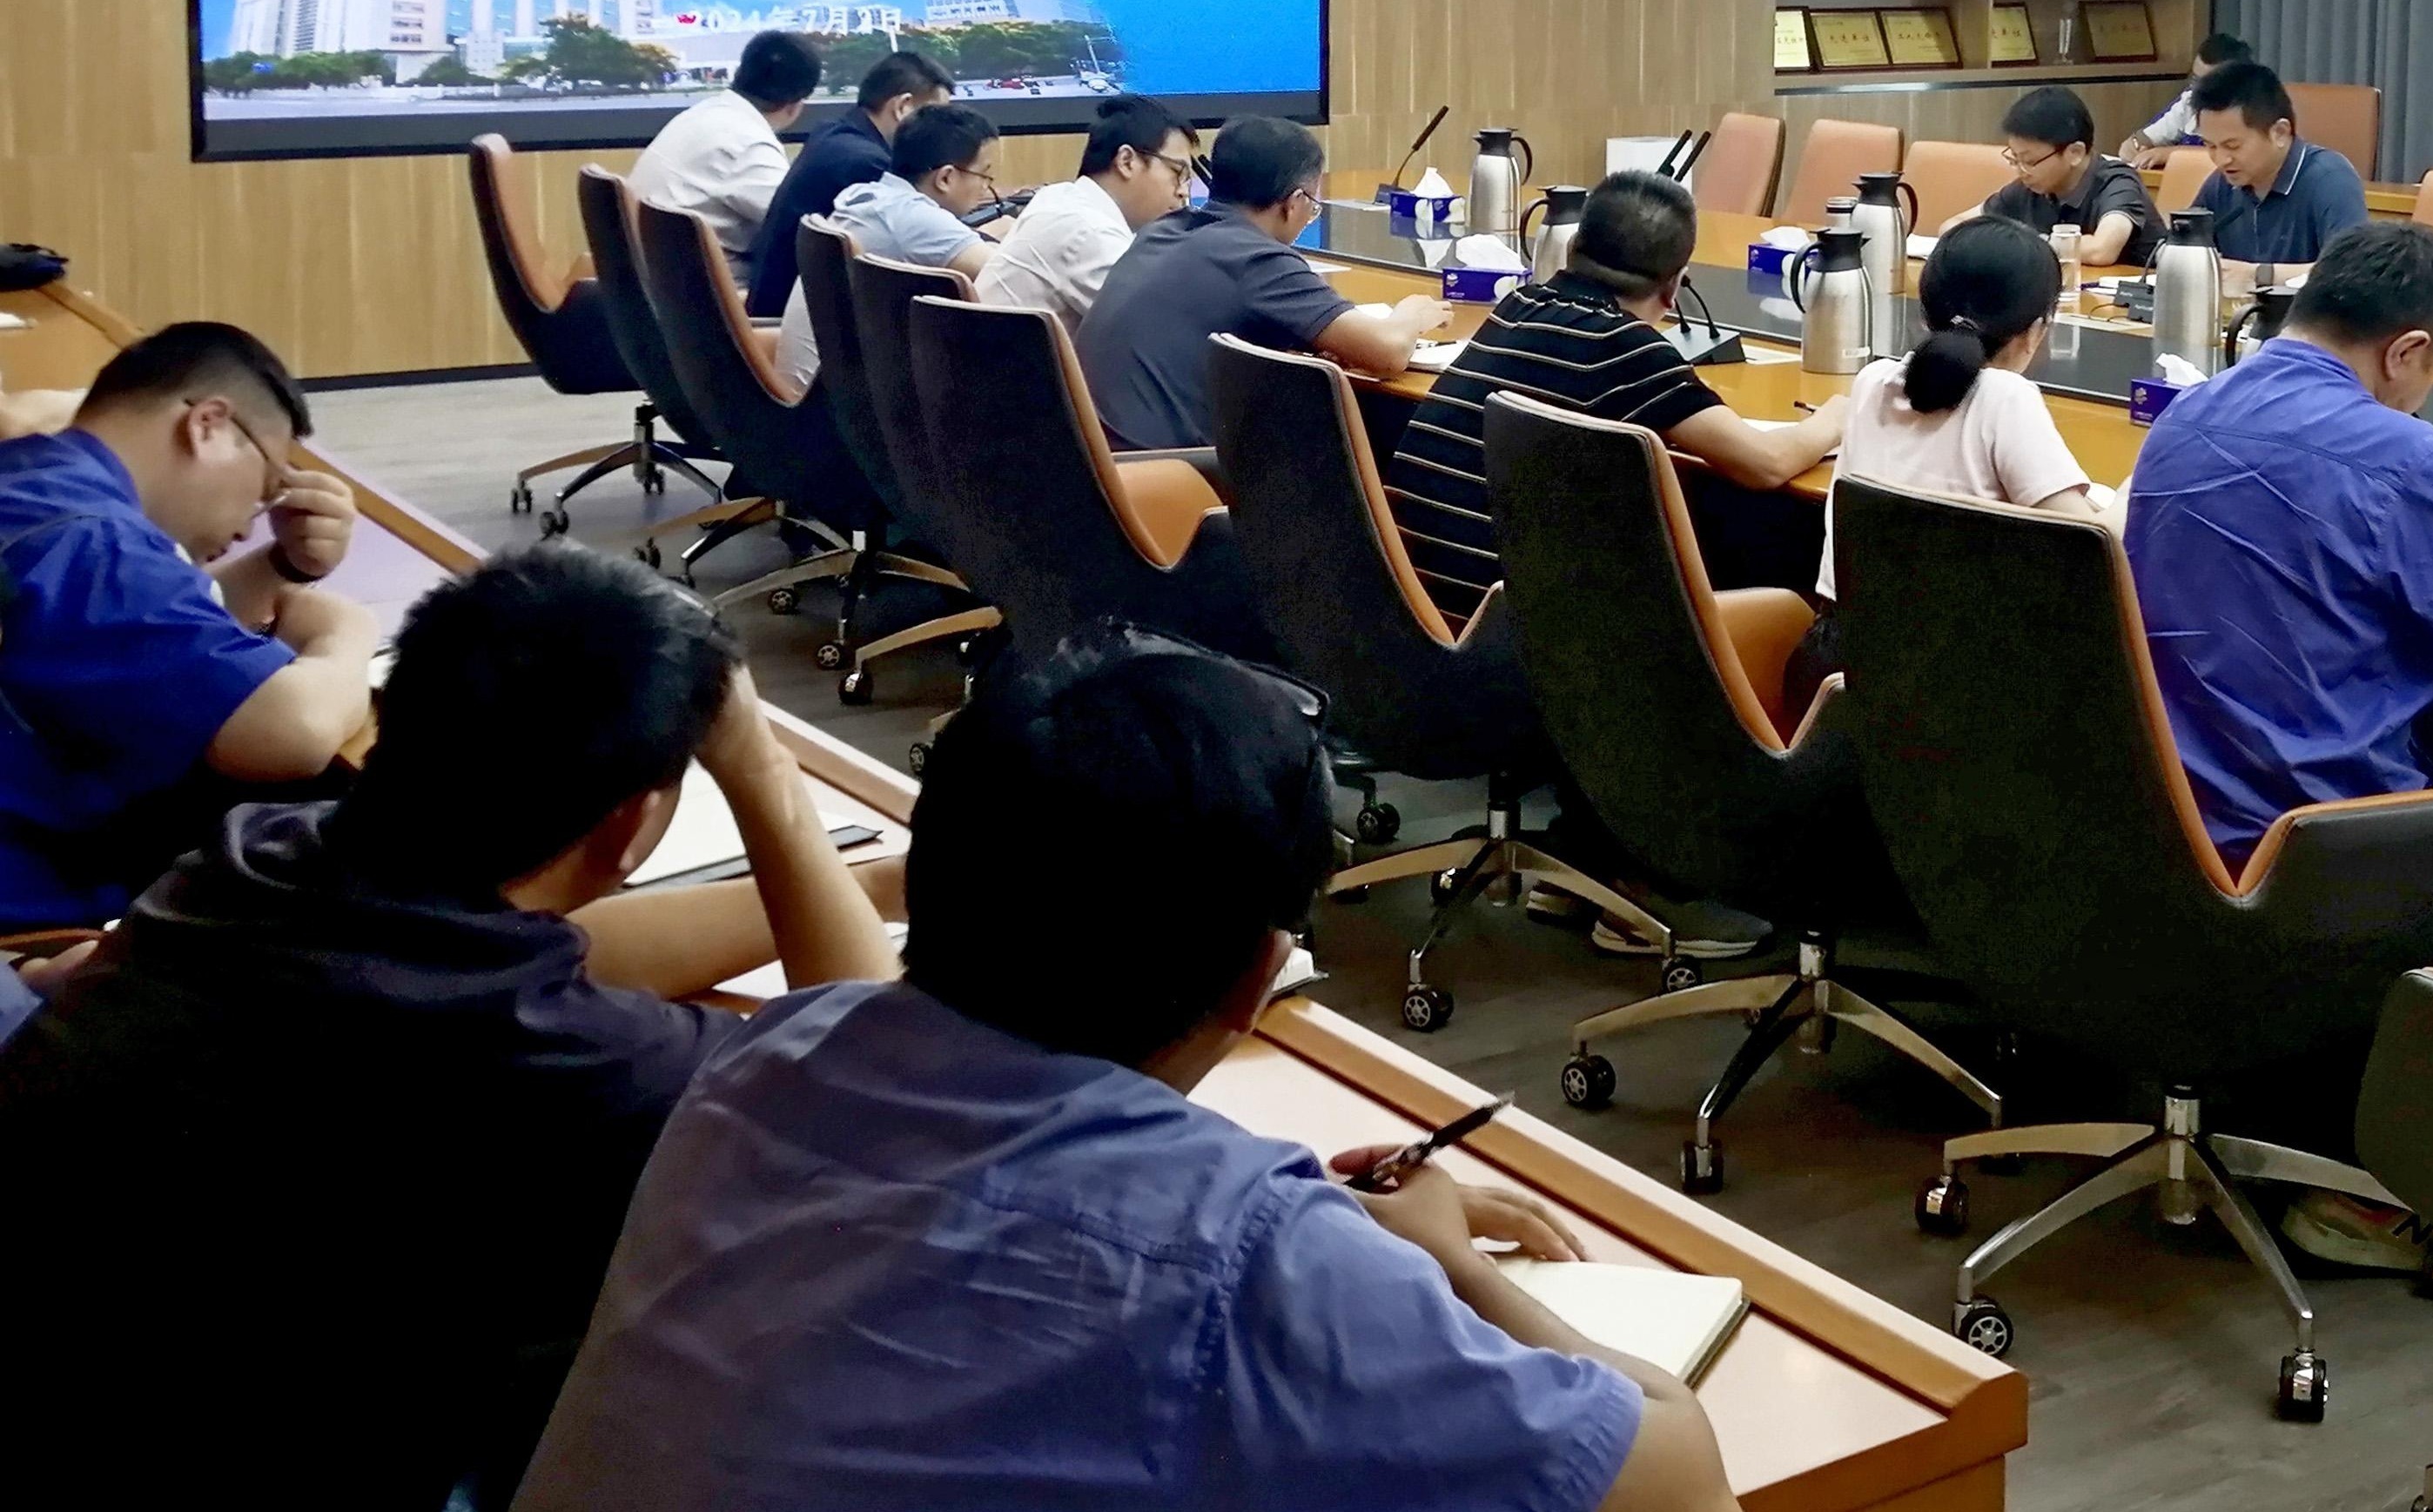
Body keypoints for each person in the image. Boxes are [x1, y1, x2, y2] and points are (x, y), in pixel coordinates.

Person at [518, 628, 1737, 1512]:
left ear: (927, 879)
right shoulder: (1248, 1259)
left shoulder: (764, 1061)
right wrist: (1448, 1264)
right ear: (1261, 973)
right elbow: (1675, 1477)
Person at [0, 544, 903, 1509]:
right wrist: (762, 772)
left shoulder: (246, 860)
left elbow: (533, 956)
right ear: (630, 823)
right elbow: (889, 1087)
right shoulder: (588, 1066)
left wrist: (879, 883)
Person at [2127, 220, 2433, 872]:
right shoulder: (2404, 458)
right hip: (2318, 848)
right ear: (2406, 351)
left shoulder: (2185, 413)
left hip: (2165, 831)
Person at [0, 322, 374, 931]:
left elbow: (121, 641)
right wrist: (346, 635)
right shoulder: (95, 541)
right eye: (266, 486)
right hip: (31, 913)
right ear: (208, 424)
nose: (251, 524)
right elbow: (290, 731)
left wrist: (281, 567)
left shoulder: (36, 479)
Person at [1388, 170, 1845, 628]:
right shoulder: (1628, 348)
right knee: (1791, 614)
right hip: (1514, 630)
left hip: (1419, 619)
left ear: (1572, 249)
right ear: (1674, 286)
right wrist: (1837, 416)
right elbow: (1766, 463)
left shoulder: (1516, 307)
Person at [1790, 218, 2108, 718]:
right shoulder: (2005, 397)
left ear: (1923, 316)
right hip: (1950, 697)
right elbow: (2090, 544)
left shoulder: (1872, 381)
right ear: (2035, 332)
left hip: (1835, 670)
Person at [1078, 117, 1453, 453]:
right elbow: (1387, 351)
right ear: (1295, 202)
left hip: (1094, 467)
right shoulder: (1255, 257)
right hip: (1165, 474)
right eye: (1314, 205)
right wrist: (1412, 314)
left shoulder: (1162, 231)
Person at [770, 101, 1001, 393]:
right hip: (831, 404)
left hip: (817, 394)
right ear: (945, 178)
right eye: (984, 175)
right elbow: (1007, 274)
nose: (986, 188)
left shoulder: (869, 196)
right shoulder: (913, 219)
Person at [745, 48, 955, 318]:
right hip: (790, 321)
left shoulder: (836, 136)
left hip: (788, 313)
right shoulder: (866, 164)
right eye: (936, 117)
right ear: (903, 107)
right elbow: (927, 237)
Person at [977, 93, 1198, 327]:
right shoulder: (1088, 232)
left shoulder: (1061, 197)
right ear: (1126, 161)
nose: (1183, 192)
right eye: (1178, 173)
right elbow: (1161, 328)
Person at [632, 30, 823, 279]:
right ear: (798, 102)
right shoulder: (747, 145)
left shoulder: (704, 114)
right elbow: (808, 231)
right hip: (703, 293)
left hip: (658, 282)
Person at [2190, 58, 2370, 281]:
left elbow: (2353, 269)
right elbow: (2180, 249)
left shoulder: (2330, 179)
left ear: (2280, 133)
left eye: (2233, 146)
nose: (2221, 160)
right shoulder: (2221, 184)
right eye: (2210, 146)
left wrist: (2259, 274)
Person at [1944, 84, 2157, 267]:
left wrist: (2023, 243)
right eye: (2014, 159)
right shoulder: (2029, 187)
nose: (2020, 171)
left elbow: (2101, 250)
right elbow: (1954, 225)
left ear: (2075, 153)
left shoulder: (2117, 183)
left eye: (2029, 161)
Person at [2118, 31, 2255, 167]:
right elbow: (2142, 140)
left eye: (2207, 84)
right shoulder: (2189, 101)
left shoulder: (2253, 110)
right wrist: (2135, 147)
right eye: (2195, 79)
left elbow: (2232, 156)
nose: (2196, 89)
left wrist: (2168, 154)